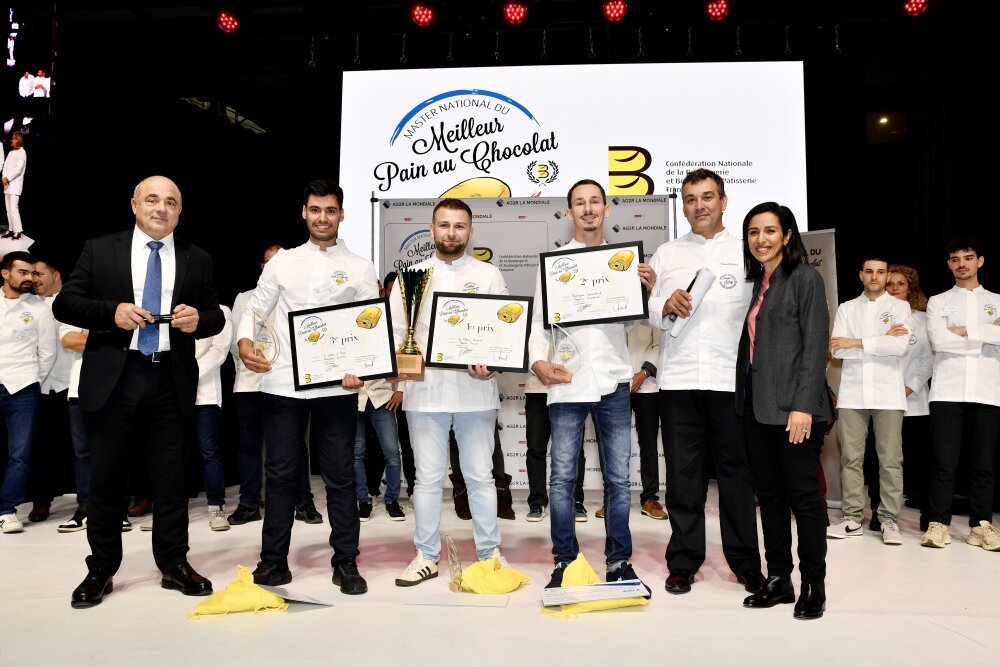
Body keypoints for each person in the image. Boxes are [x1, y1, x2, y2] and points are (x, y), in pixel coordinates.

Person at [53, 175, 225, 608]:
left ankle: (173, 564)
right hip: (116, 377)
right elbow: (65, 303)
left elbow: (215, 316)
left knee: (172, 481)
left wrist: (197, 321)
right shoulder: (100, 248)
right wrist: (112, 312)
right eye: (152, 200)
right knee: (107, 481)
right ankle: (101, 568)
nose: (161, 208)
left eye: (170, 202)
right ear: (134, 204)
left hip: (170, 378)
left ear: (180, 212)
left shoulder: (197, 257)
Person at [236, 179, 375, 594]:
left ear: (341, 215)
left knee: (340, 475)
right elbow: (257, 308)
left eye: (330, 210)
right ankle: (273, 562)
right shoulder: (283, 262)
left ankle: (346, 561)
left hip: (337, 386)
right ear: (304, 212)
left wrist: (361, 370)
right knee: (279, 474)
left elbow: (368, 324)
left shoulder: (360, 267)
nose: (322, 218)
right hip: (283, 382)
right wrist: (245, 341)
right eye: (315, 210)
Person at [528, 179, 656, 594]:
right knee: (562, 478)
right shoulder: (553, 265)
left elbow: (633, 322)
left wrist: (645, 292)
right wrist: (538, 363)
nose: (587, 209)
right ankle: (564, 560)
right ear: (568, 213)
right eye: (579, 203)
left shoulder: (622, 263)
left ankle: (619, 562)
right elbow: (536, 326)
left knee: (618, 479)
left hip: (615, 379)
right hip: (566, 381)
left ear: (607, 209)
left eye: (594, 202)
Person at [647, 168, 763, 596]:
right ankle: (683, 562)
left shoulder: (746, 251)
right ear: (684, 205)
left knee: (736, 476)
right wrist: (663, 302)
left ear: (724, 201)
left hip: (731, 382)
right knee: (682, 476)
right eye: (691, 198)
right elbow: (645, 310)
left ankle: (746, 564)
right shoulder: (666, 253)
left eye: (708, 197)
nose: (700, 206)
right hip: (678, 381)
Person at [390, 198, 512, 587]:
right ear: (432, 229)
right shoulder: (411, 276)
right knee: (426, 479)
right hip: (425, 393)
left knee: (479, 476)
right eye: (444, 225)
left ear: (471, 231)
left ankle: (490, 554)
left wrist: (492, 361)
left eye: (459, 226)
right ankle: (426, 556)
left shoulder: (489, 275)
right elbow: (395, 335)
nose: (451, 233)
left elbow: (502, 332)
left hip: (475, 391)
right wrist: (402, 363)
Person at [736, 202, 833, 620]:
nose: (761, 239)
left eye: (770, 231)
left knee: (805, 501)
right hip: (757, 411)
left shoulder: (805, 279)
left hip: (796, 412)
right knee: (770, 499)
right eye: (754, 232)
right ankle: (779, 579)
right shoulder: (759, 283)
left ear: (788, 235)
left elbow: (815, 347)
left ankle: (814, 585)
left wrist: (803, 405)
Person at [227, 244, 323, 526]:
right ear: (262, 268)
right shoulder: (245, 299)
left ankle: (303, 501)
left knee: (297, 446)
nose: (274, 267)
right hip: (250, 384)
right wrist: (249, 365)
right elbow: (237, 342)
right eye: (269, 262)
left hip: (288, 385)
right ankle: (249, 503)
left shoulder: (299, 297)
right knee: (249, 445)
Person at [921, 238, 1000, 551]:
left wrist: (963, 330)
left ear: (980, 261)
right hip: (947, 391)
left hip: (988, 390)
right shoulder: (938, 302)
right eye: (955, 259)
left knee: (984, 464)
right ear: (949, 264)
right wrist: (986, 332)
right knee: (944, 462)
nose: (962, 264)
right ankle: (938, 523)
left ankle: (981, 525)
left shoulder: (997, 299)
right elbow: (939, 343)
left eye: (968, 258)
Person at [827, 256, 911, 545]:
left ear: (887, 276)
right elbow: (837, 350)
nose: (875, 276)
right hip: (852, 393)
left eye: (881, 272)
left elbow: (899, 346)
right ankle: (851, 519)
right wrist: (879, 340)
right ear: (861, 274)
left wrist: (857, 342)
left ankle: (888, 520)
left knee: (890, 460)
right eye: (869, 271)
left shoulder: (900, 307)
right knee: (851, 458)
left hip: (888, 394)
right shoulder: (847, 308)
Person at [0, 251, 57, 534]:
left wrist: (32, 380)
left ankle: (7, 510)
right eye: (22, 272)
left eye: (33, 273)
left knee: (19, 453)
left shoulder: (40, 308)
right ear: (5, 273)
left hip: (22, 387)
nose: (29, 278)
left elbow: (47, 353)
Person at [25, 258, 73, 523]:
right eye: (31, 274)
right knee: (42, 447)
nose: (34, 279)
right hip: (42, 385)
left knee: (84, 447)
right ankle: (41, 500)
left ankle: (90, 501)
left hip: (73, 382)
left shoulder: (75, 301)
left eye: (39, 273)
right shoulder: (29, 306)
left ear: (56, 274)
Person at [886, 265, 933, 527]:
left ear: (910, 288)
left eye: (900, 284)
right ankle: (883, 515)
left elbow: (928, 360)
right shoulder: (878, 317)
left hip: (914, 401)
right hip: (883, 401)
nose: (894, 289)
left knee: (919, 463)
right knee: (884, 461)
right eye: (889, 284)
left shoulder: (923, 319)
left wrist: (907, 388)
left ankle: (928, 515)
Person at [193, 304, 233, 531]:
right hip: (171, 393)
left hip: (205, 393)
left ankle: (216, 507)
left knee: (210, 452)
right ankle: (168, 509)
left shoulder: (219, 311)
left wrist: (187, 373)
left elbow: (219, 351)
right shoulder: (171, 306)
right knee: (170, 453)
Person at [627, 322, 666, 519]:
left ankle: (650, 498)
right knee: (615, 446)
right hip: (615, 385)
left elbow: (660, 344)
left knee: (649, 444)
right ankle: (615, 499)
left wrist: (643, 373)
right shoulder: (613, 303)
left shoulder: (653, 305)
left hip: (648, 385)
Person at [354, 377, 405, 522]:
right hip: (354, 398)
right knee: (357, 453)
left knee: (392, 452)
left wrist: (400, 390)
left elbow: (400, 360)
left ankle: (392, 501)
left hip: (383, 398)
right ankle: (363, 500)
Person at [2, 132, 26, 240]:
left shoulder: (22, 153)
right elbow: (5, 166)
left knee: (14, 209)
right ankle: (11, 230)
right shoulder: (11, 153)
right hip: (7, 185)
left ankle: (18, 231)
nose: (11, 140)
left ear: (18, 140)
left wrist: (8, 178)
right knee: (8, 209)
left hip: (15, 185)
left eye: (13, 139)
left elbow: (19, 170)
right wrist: (4, 177)